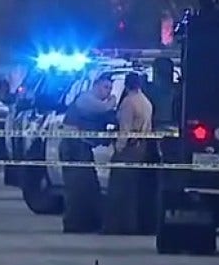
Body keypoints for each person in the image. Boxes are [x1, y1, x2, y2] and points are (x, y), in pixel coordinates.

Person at [60, 74, 117, 233]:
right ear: (96, 85)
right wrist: (113, 99)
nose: (108, 91)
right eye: (106, 87)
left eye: (110, 89)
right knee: (76, 188)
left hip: (82, 148)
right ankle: (74, 224)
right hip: (73, 148)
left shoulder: (91, 101)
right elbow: (105, 109)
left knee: (89, 187)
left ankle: (87, 223)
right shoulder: (86, 99)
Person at [103, 72, 154, 235]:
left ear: (126, 85)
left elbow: (124, 129)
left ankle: (117, 226)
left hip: (129, 149)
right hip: (142, 147)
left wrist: (119, 148)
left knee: (119, 189)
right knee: (133, 190)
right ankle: (132, 224)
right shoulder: (146, 102)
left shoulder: (128, 103)